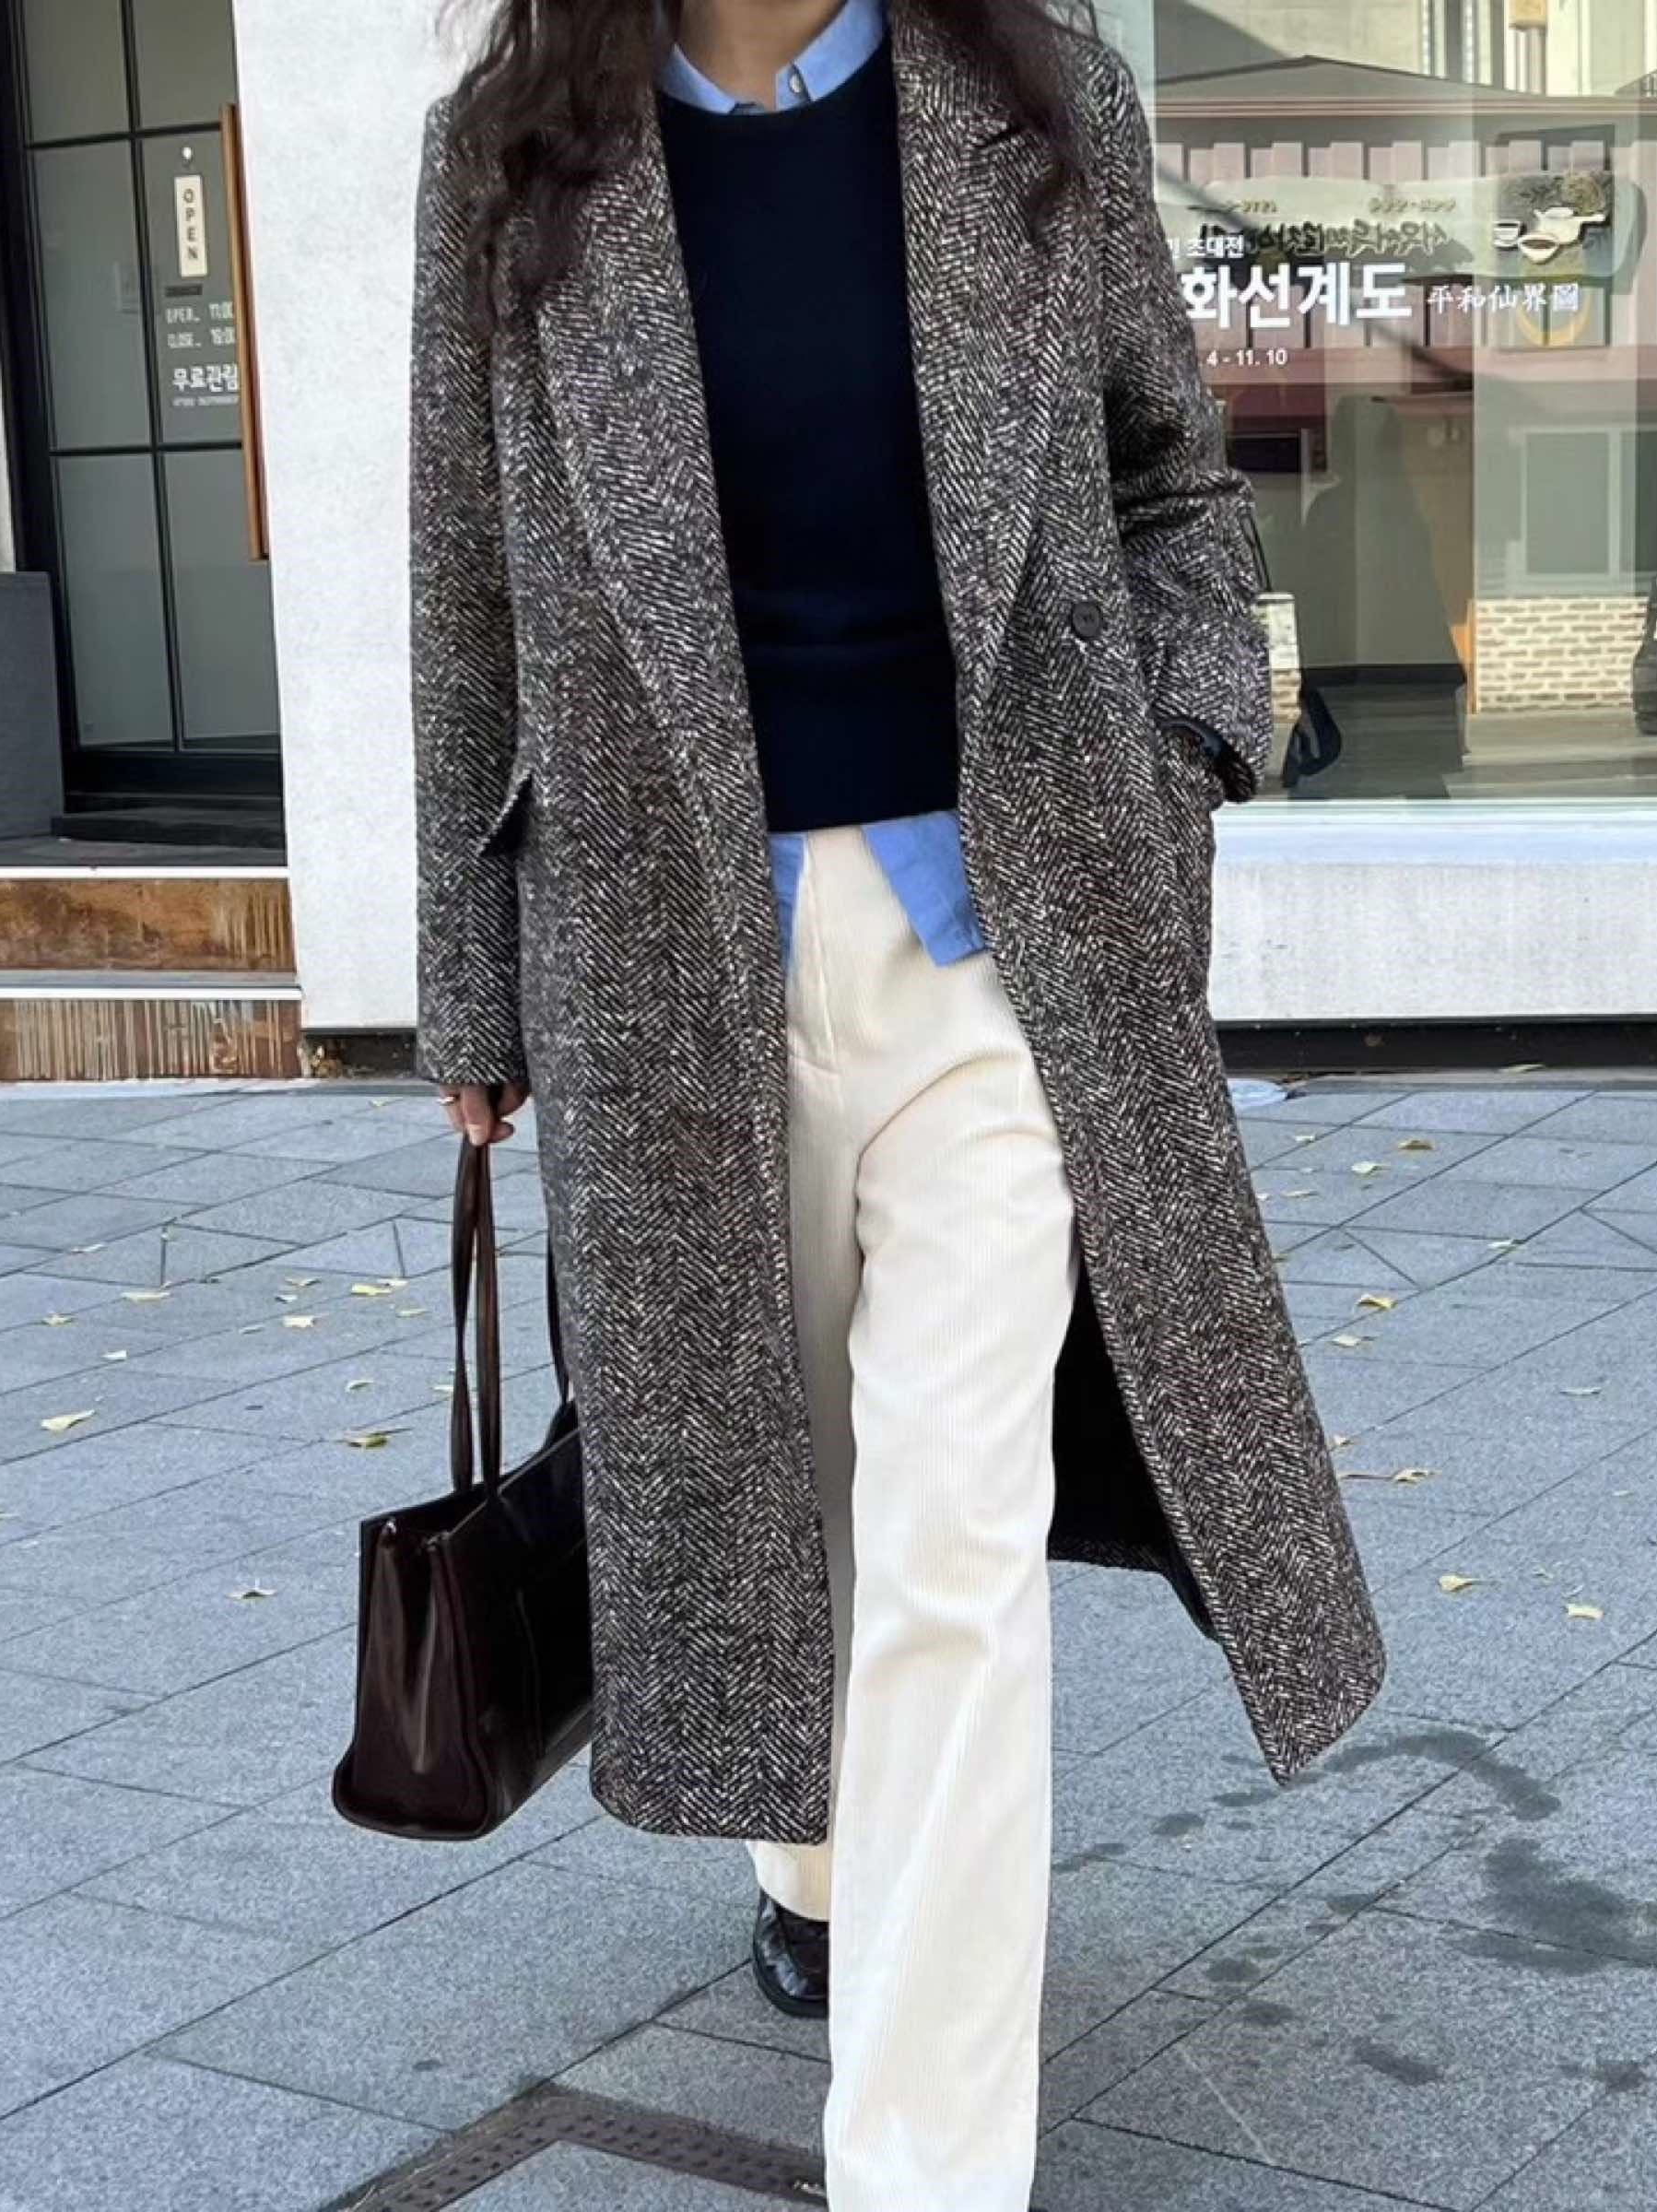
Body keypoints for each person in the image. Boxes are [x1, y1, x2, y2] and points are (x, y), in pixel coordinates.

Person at [407, 1, 1386, 2206]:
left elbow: (1167, 476)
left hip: (1003, 941)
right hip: (667, 957)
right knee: (791, 1489)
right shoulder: (510, 152)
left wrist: (1183, 743)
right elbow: (465, 591)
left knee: (952, 1531)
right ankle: (823, 1856)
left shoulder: (1033, 104)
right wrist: (468, 972)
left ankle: (923, 2164)